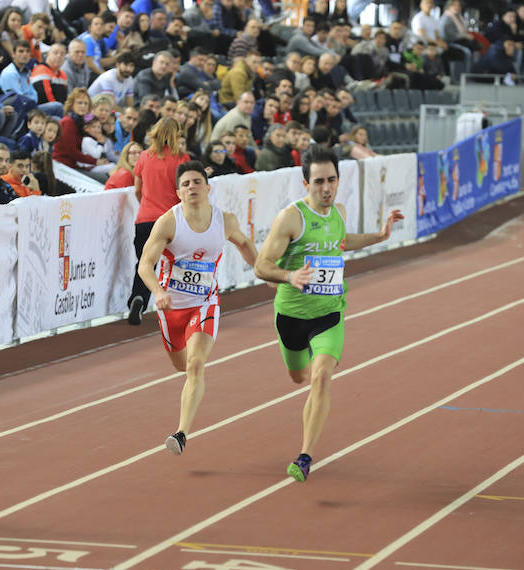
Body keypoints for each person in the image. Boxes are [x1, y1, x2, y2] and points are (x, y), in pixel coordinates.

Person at [253, 146, 404, 482]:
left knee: (321, 377)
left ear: (338, 180)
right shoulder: (291, 218)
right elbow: (261, 265)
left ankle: (305, 456)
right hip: (291, 315)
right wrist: (289, 276)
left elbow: (341, 241)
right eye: (318, 181)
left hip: (329, 313)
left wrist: (379, 236)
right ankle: (300, 367)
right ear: (306, 183)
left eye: (331, 180)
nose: (326, 187)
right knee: (299, 377)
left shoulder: (339, 211)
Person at [137, 160, 257, 455]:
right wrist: (158, 291)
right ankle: (189, 393)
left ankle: (180, 433)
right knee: (181, 365)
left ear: (208, 187)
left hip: (205, 303)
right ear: (178, 192)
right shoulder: (169, 221)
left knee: (195, 364)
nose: (192, 187)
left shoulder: (224, 220)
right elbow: (145, 266)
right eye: (186, 184)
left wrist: (264, 271)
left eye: (196, 182)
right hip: (171, 309)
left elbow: (243, 243)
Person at [127, 117, 189, 325]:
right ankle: (181, 305)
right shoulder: (182, 159)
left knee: (145, 263)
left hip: (145, 218)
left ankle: (139, 298)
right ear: (177, 135)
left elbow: (137, 189)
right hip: (171, 220)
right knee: (179, 263)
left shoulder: (144, 157)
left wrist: (146, 203)